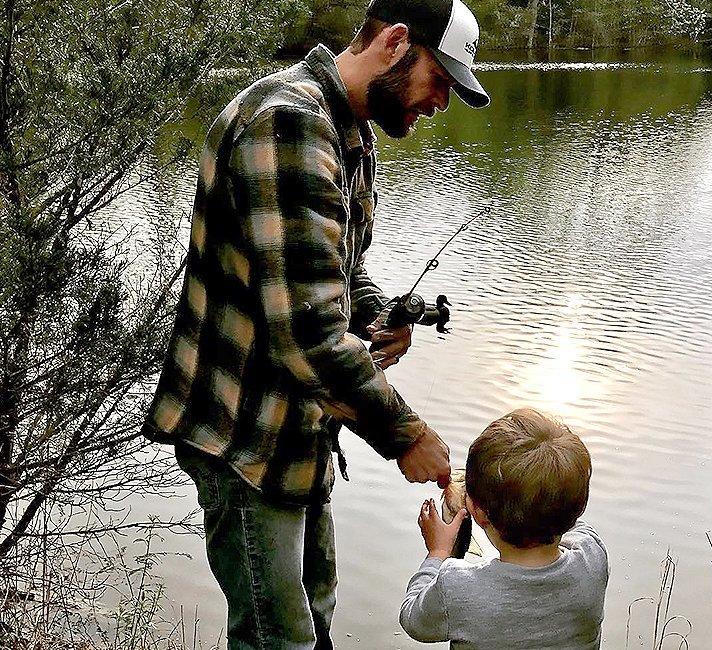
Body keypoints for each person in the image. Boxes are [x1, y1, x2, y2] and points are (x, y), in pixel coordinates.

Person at [140, 0, 490, 647]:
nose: (441, 102)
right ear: (394, 42)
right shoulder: (288, 124)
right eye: (439, 80)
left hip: (297, 435)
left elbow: (333, 271)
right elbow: (306, 336)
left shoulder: (346, 131)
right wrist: (406, 434)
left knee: (315, 619)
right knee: (278, 639)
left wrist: (377, 314)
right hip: (245, 439)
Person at [400, 408, 609, 649]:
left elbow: (413, 620)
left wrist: (438, 552)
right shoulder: (593, 556)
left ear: (477, 512)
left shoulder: (458, 589)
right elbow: (570, 518)